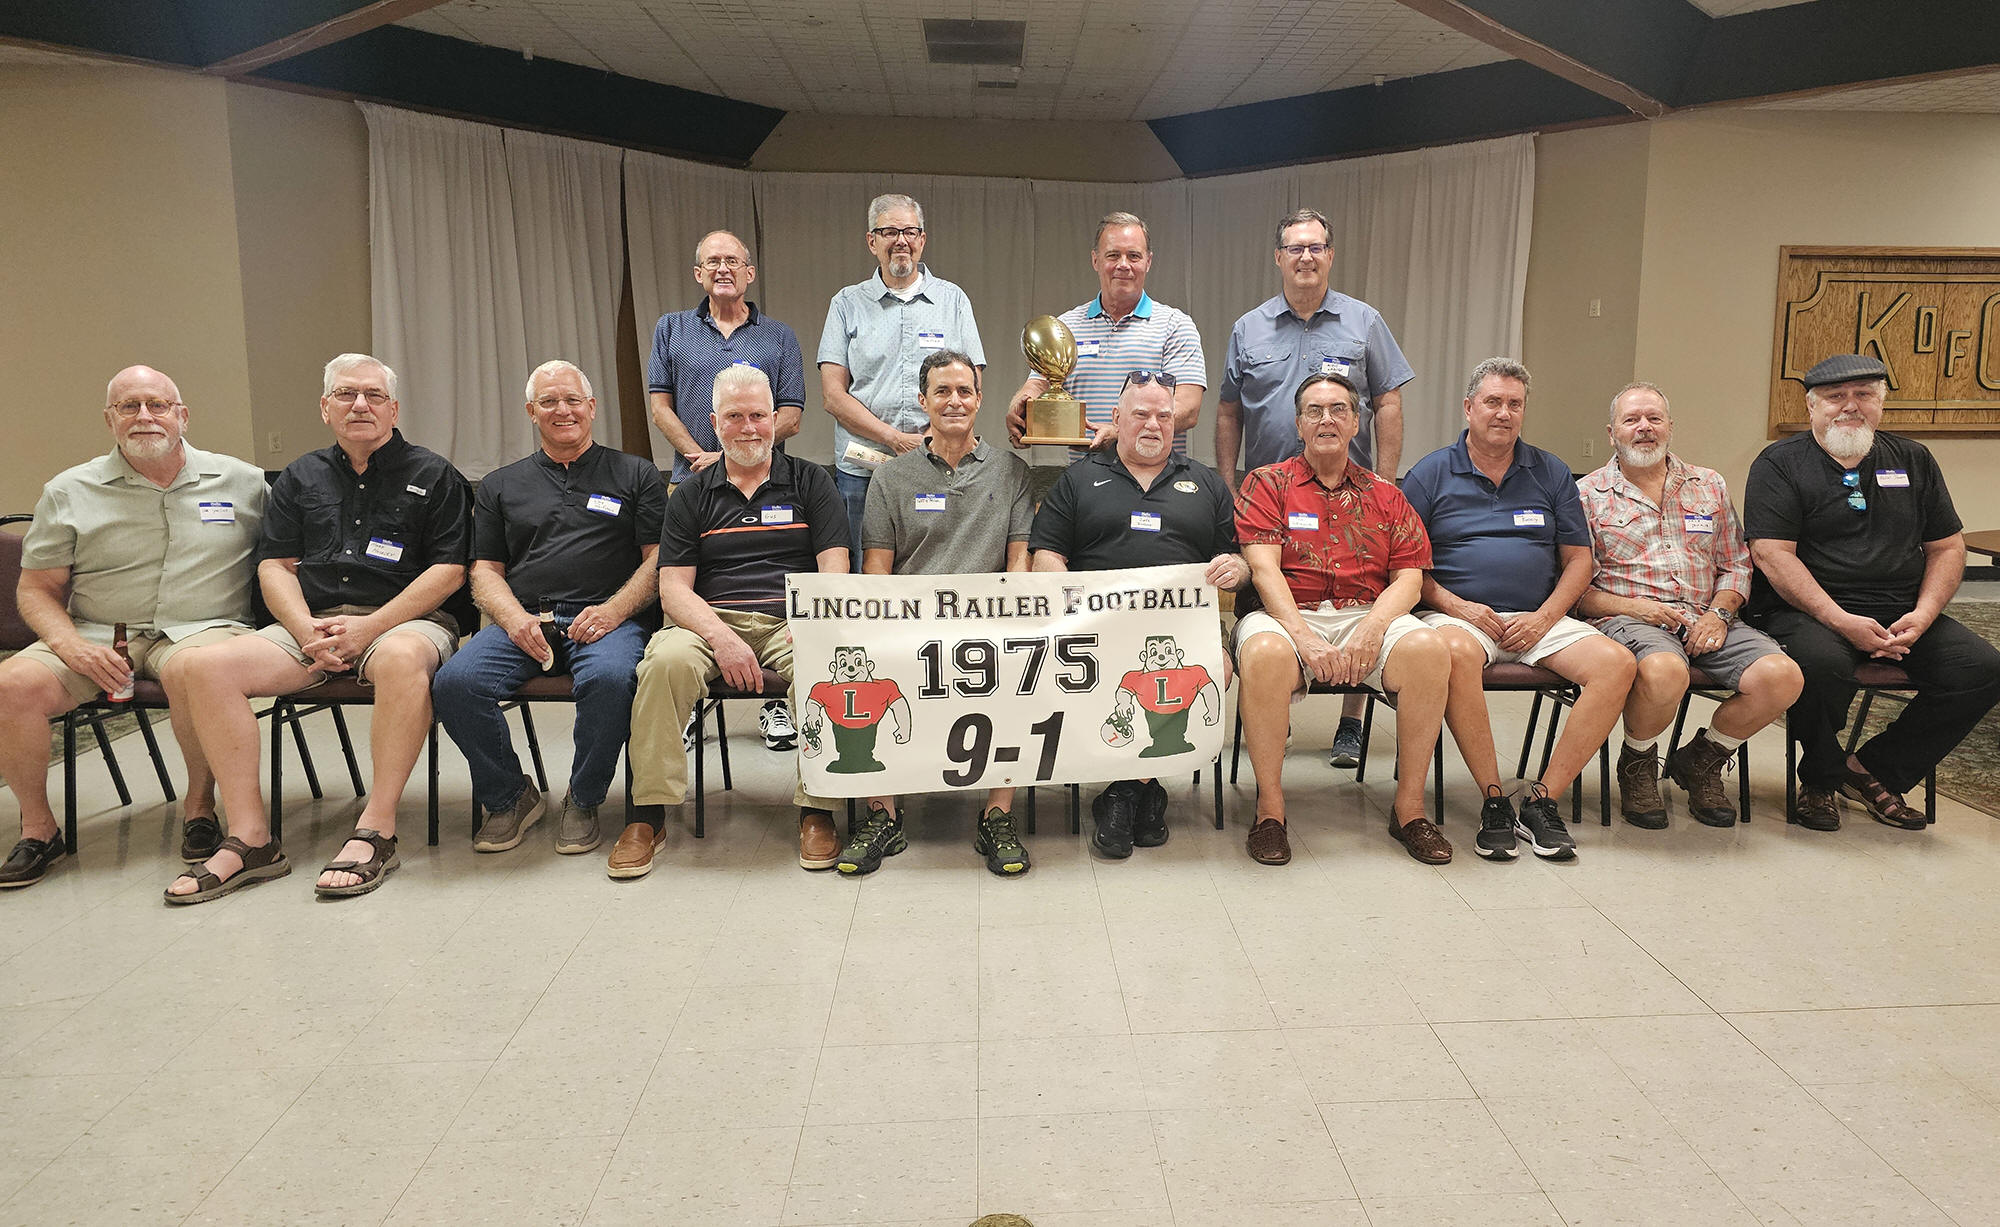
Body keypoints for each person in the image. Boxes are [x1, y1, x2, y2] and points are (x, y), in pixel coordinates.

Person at [166, 354, 471, 902]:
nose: (361, 405)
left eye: (374, 395)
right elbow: (275, 565)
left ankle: (376, 828)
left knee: (402, 658)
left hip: (405, 620)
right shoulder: (300, 476)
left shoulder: (434, 474)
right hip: (311, 623)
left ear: (395, 409)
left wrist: (368, 629)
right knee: (205, 667)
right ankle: (251, 838)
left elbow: (449, 571)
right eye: (347, 394)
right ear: (325, 408)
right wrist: (306, 629)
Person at [0, 367, 266, 889]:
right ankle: (39, 829)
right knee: (11, 686)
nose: (145, 416)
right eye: (129, 406)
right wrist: (70, 645)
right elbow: (36, 589)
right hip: (98, 632)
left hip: (204, 627)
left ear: (182, 416)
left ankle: (199, 808)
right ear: (110, 420)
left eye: (157, 405)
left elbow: (287, 558)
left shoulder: (244, 483)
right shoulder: (69, 490)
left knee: (197, 668)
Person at [1744, 354, 2000, 831]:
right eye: (1835, 397)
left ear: (1881, 403)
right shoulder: (1780, 464)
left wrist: (1924, 614)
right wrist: (1842, 621)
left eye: (1864, 394)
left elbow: (1947, 547)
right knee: (1820, 666)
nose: (1850, 406)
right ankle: (1820, 778)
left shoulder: (1913, 459)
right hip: (1808, 612)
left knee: (1981, 669)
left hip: (1901, 611)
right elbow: (1772, 555)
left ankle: (1872, 770)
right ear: (1811, 405)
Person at [1401, 358, 1637, 862]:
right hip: (1458, 616)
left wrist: (1546, 617)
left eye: (1514, 404)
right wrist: (1459, 606)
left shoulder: (1550, 471)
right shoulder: (1429, 474)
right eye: (1493, 402)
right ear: (1469, 408)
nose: (1503, 413)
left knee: (1617, 664)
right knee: (1454, 653)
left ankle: (1541, 800)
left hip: (1539, 616)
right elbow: (1406, 567)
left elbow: (1579, 561)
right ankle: (1494, 800)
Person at [621, 364, 849, 879]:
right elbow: (673, 588)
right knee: (662, 664)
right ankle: (647, 815)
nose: (749, 428)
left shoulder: (812, 482)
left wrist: (809, 622)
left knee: (828, 667)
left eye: (758, 416)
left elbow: (834, 571)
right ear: (714, 423)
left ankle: (818, 809)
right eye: (735, 417)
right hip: (708, 621)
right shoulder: (691, 494)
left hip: (793, 619)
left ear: (775, 419)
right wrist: (721, 637)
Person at [432, 361, 665, 859]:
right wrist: (513, 619)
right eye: (550, 402)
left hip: (608, 621)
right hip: (525, 620)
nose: (564, 410)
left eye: (573, 400)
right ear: (531, 411)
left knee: (610, 681)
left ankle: (584, 797)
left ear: (592, 407)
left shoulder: (636, 473)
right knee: (455, 683)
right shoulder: (499, 484)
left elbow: (657, 560)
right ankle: (509, 796)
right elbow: (484, 570)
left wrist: (613, 611)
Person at [1217, 207, 1417, 773]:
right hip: (1270, 496)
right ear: (1278, 258)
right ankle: (1272, 712)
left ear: (1330, 255)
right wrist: (1229, 482)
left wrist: (1385, 480)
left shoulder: (1364, 322)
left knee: (1358, 587)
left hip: (1350, 493)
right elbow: (1229, 410)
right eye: (1295, 248)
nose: (1305, 257)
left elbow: (1388, 402)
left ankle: (1352, 719)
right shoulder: (1248, 328)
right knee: (1271, 593)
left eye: (1315, 247)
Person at [1235, 373, 1454, 865]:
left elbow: (1410, 580)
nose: (1326, 419)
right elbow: (1264, 571)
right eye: (1314, 411)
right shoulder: (1266, 484)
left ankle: (1410, 810)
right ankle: (1270, 812)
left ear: (1357, 423)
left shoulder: (1387, 495)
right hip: (1288, 611)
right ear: (1298, 424)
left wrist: (1372, 629)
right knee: (1264, 653)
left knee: (1428, 649)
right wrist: (1305, 639)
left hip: (1367, 610)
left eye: (1339, 410)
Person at [1028, 370, 1247, 858]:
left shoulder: (1206, 483)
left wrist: (1236, 569)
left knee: (1217, 667)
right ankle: (1147, 791)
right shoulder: (1079, 479)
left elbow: (1237, 560)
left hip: (1181, 634)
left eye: (1164, 416)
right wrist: (1069, 602)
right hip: (1096, 632)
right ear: (1117, 418)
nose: (1153, 425)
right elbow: (1046, 554)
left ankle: (1125, 792)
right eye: (1141, 414)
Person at [833, 349, 1032, 877]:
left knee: (1021, 671)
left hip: (988, 628)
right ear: (923, 401)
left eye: (964, 391)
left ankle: (996, 815)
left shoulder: (1012, 471)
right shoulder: (891, 478)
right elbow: (876, 570)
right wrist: (886, 633)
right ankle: (883, 815)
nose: (954, 401)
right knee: (871, 675)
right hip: (910, 628)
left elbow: (1019, 562)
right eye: (942, 391)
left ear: (980, 399)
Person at [1577, 382, 1802, 828]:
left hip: (1707, 615)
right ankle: (1638, 763)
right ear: (1611, 432)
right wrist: (1638, 608)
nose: (1644, 427)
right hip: (1629, 619)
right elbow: (1578, 591)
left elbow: (1736, 564)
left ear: (1670, 426)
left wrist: (1719, 614)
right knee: (1666, 671)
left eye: (1654, 418)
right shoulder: (1587, 494)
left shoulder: (1708, 484)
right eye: (1631, 420)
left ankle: (1701, 759)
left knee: (1782, 677)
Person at [646, 229, 806, 752]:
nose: (723, 269)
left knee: (771, 578)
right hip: (690, 478)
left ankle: (776, 708)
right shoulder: (671, 328)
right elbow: (660, 406)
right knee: (684, 585)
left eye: (733, 261)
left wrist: (735, 451)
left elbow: (792, 413)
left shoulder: (779, 336)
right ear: (698, 273)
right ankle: (688, 700)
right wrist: (705, 456)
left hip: (766, 479)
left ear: (749, 272)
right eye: (712, 261)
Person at [818, 193, 986, 563]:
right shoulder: (846, 304)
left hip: (937, 464)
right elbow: (833, 395)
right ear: (871, 241)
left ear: (922, 239)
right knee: (864, 572)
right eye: (889, 232)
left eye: (910, 232)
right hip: (863, 467)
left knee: (933, 565)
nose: (901, 241)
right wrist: (894, 439)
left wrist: (930, 441)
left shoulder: (954, 301)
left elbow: (971, 384)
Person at [1004, 212, 1205, 460]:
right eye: (1113, 255)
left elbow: (1188, 408)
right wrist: (1022, 404)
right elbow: (1039, 384)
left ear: (1148, 262)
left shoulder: (1175, 326)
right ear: (1095, 260)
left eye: (1134, 256)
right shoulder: (1066, 327)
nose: (1123, 265)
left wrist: (1120, 432)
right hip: (1085, 476)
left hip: (1156, 476)